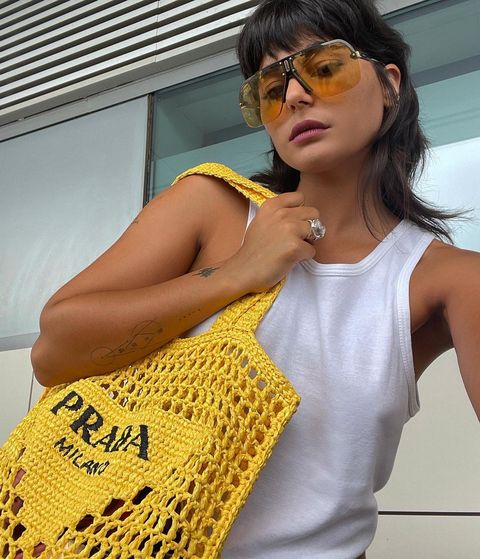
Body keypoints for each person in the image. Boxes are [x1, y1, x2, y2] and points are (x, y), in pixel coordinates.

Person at [27, 0, 479, 557]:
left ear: (389, 83)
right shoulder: (212, 205)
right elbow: (52, 353)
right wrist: (237, 272)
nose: (294, 96)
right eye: (270, 87)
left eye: (325, 67)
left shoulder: (446, 279)